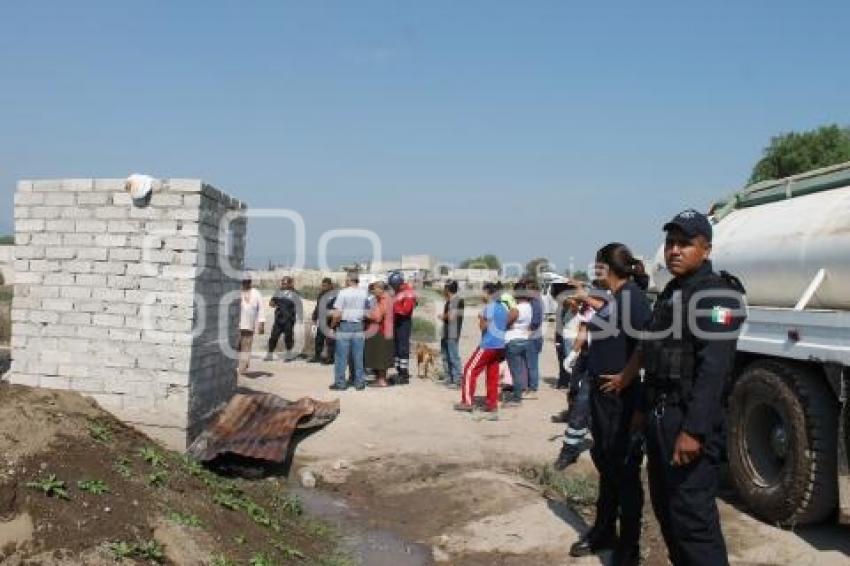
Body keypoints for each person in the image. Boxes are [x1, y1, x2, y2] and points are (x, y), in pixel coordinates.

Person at [607, 210, 745, 566]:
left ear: (706, 249)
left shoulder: (717, 295)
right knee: (668, 512)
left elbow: (714, 371)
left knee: (693, 520)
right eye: (670, 243)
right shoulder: (672, 292)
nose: (675, 250)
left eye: (686, 243)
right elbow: (653, 352)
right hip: (659, 416)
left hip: (687, 420)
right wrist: (640, 410)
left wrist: (694, 431)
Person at [567, 243, 651, 566]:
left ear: (606, 268)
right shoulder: (617, 298)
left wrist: (626, 378)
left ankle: (628, 548)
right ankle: (604, 530)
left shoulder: (632, 298)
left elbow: (647, 342)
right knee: (605, 462)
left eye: (596, 266)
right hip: (603, 398)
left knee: (625, 473)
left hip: (620, 399)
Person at [454, 282, 508, 418]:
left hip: (488, 345)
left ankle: (467, 401)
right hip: (500, 345)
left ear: (488, 293)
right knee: (492, 375)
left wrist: (480, 318)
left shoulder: (489, 307)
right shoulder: (503, 308)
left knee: (469, 370)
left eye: (484, 292)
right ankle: (492, 404)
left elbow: (483, 327)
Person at [329, 272, 369, 391]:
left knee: (341, 356)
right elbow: (367, 311)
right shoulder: (364, 293)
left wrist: (332, 326)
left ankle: (340, 383)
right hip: (359, 325)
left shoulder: (343, 292)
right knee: (358, 356)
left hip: (345, 325)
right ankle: (359, 382)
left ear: (348, 280)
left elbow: (337, 313)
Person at [503, 281, 534, 406]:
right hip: (524, 339)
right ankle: (518, 393)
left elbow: (506, 321)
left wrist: (508, 324)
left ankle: (517, 398)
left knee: (515, 371)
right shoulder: (529, 306)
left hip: (513, 340)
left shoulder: (517, 308)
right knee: (520, 370)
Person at [388, 271, 417, 384]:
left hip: (404, 322)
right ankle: (399, 370)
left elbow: (406, 310)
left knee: (403, 348)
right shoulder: (398, 292)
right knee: (396, 348)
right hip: (397, 322)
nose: (392, 288)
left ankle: (404, 374)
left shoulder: (408, 292)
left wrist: (393, 309)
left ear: (396, 283)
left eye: (392, 285)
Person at [364, 281, 394, 387]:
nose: (373, 290)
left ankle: (381, 380)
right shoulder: (385, 298)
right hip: (385, 330)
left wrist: (366, 314)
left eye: (375, 288)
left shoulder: (384, 300)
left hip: (382, 331)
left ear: (381, 289)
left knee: (381, 355)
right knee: (381, 355)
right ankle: (380, 379)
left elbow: (377, 317)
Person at [266, 276, 302, 361]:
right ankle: (269, 354)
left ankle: (289, 355)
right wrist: (273, 303)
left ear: (289, 284)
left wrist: (299, 318)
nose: (283, 285)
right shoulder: (278, 292)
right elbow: (271, 303)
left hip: (289, 320)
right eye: (282, 283)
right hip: (278, 319)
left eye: (285, 283)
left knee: (288, 338)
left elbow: (299, 306)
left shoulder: (295, 293)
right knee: (273, 337)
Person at [439, 280, 465, 386]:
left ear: (447, 289)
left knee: (453, 356)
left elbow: (451, 317)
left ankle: (457, 379)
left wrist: (443, 316)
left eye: (445, 288)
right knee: (445, 356)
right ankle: (449, 377)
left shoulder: (457, 301)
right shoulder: (450, 301)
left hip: (452, 333)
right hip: (446, 332)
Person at [238, 277, 265, 375]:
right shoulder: (237, 292)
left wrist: (261, 323)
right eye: (243, 282)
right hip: (236, 325)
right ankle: (238, 366)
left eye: (247, 282)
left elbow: (261, 309)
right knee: (236, 347)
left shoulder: (256, 293)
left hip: (249, 325)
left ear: (250, 282)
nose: (245, 283)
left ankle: (242, 368)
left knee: (246, 347)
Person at [310, 278, 336, 364]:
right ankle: (317, 356)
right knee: (319, 339)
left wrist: (332, 320)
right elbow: (318, 306)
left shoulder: (335, 295)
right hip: (321, 321)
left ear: (330, 285)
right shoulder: (321, 294)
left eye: (325, 286)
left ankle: (330, 358)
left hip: (330, 321)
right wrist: (314, 316)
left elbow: (335, 308)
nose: (323, 287)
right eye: (322, 285)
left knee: (330, 341)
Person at [525, 279, 544, 398]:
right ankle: (531, 384)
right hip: (536, 336)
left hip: (533, 336)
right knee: (532, 362)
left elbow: (535, 321)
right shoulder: (536, 301)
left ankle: (533, 387)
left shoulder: (535, 302)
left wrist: (527, 330)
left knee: (532, 363)